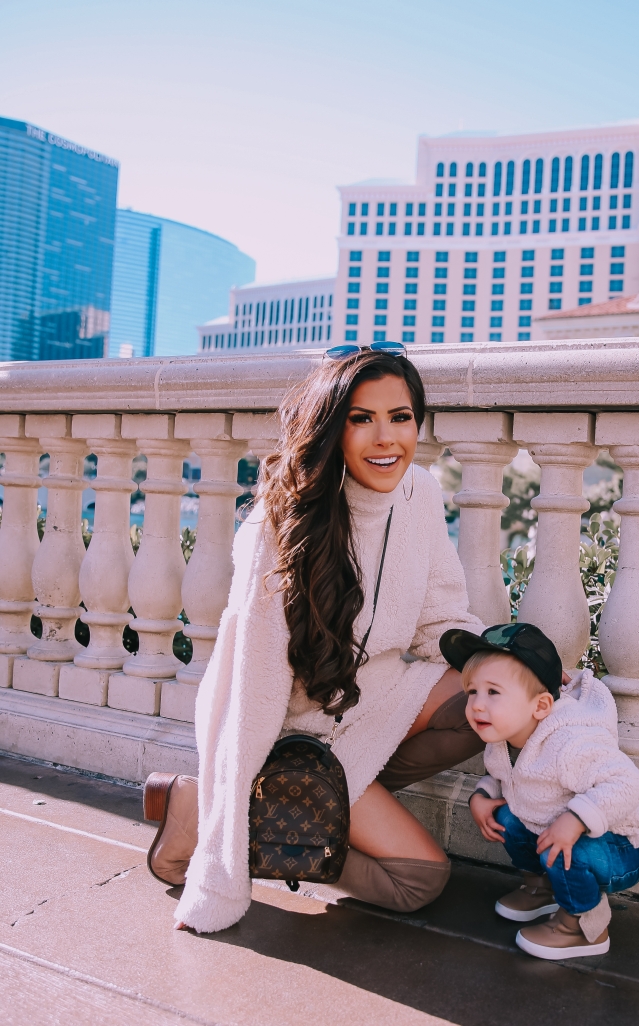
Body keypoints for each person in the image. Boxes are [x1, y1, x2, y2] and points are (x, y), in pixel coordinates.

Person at [155, 344, 486, 933]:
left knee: (483, 704)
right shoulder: (278, 528)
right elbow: (249, 704)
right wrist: (216, 883)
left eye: (401, 417)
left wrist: (515, 667)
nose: (387, 439)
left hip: (377, 696)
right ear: (332, 427)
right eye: (362, 419)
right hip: (293, 726)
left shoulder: (421, 494)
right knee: (420, 881)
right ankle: (212, 809)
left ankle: (319, 801)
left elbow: (441, 620)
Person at [440, 622, 639, 961]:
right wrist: (481, 796)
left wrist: (575, 820)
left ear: (541, 706)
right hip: (562, 833)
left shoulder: (569, 743)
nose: (477, 705)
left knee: (562, 849)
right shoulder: (504, 736)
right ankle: (542, 888)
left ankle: (584, 926)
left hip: (621, 845)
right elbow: (505, 777)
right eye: (473, 691)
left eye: (493, 692)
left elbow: (628, 784)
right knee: (507, 818)